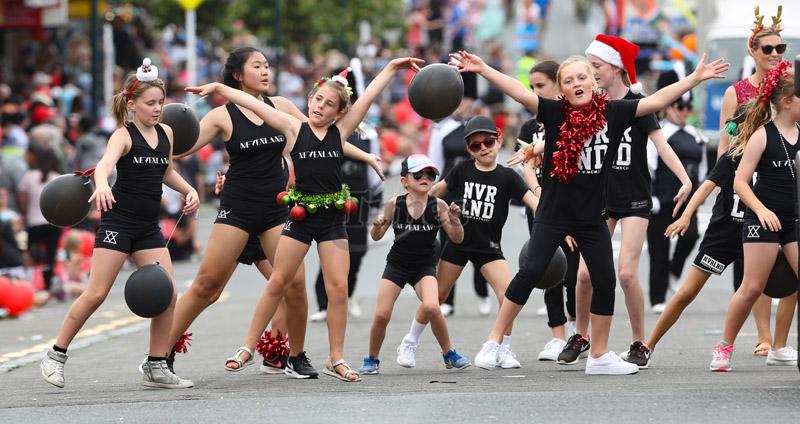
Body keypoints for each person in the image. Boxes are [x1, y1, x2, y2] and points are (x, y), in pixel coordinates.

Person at [454, 48, 727, 374]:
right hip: (554, 213)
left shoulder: (615, 112)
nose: (576, 83)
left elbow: (655, 102)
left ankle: (598, 355)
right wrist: (483, 68)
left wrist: (694, 79)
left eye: (582, 77)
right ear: (562, 90)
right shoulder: (554, 113)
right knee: (531, 270)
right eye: (568, 81)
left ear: (594, 83)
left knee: (605, 278)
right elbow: (518, 91)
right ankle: (493, 342)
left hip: (592, 217)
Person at [187, 56, 420, 382]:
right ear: (309, 100)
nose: (320, 107)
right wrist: (217, 87)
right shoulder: (293, 128)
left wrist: (392, 68)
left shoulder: (341, 132)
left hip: (332, 220)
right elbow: (252, 103)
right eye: (317, 100)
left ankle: (335, 359)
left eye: (329, 104)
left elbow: (368, 98)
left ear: (340, 113)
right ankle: (247, 347)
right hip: (299, 218)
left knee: (338, 288)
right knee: (279, 281)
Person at [40, 59, 199, 389]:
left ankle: (156, 365)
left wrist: (189, 189)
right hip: (119, 223)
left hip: (148, 227)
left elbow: (165, 171)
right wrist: (100, 184)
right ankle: (55, 355)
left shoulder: (167, 133)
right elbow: (103, 166)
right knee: (96, 293)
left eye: (160, 103)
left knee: (167, 294)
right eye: (150, 104)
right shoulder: (122, 136)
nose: (157, 110)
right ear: (132, 104)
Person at [166, 47, 311, 377]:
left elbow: (316, 139)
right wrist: (146, 134)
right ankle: (160, 355)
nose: (265, 71)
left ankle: (281, 353)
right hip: (238, 210)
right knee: (208, 288)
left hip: (275, 211)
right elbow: (183, 147)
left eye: (267, 65)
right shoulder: (221, 116)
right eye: (256, 65)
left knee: (293, 283)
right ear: (237, 76)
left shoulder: (282, 106)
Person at [558, 35, 692, 369]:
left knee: (627, 273)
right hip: (599, 199)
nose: (592, 72)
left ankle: (638, 342)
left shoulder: (637, 103)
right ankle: (582, 335)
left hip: (633, 197)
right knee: (585, 274)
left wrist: (686, 179)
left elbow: (662, 146)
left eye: (596, 66)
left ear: (616, 67)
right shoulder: (592, 103)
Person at [397, 115, 539, 370]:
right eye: (476, 146)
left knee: (509, 295)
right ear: (468, 150)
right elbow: (434, 191)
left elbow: (534, 203)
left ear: (498, 139)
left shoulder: (508, 177)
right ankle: (410, 341)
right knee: (436, 296)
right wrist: (409, 203)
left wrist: (558, 225)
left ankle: (503, 349)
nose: (484, 148)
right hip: (458, 242)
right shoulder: (462, 169)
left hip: (488, 246)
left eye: (488, 141)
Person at [710, 60, 799, 372]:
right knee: (751, 287)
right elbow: (739, 181)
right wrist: (760, 210)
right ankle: (724, 347)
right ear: (788, 102)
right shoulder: (763, 135)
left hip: (794, 222)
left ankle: (779, 346)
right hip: (761, 220)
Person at [643, 104, 747, 356]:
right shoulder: (731, 156)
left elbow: (702, 175)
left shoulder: (774, 151)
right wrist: (685, 214)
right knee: (682, 284)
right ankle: (648, 342)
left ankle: (768, 343)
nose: (684, 110)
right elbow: (706, 185)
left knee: (753, 288)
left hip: (755, 231)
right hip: (715, 226)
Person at [359, 154, 470, 374]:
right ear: (404, 181)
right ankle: (372, 359)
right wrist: (378, 225)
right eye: (418, 174)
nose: (425, 178)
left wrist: (456, 221)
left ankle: (449, 353)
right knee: (382, 314)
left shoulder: (438, 205)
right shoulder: (395, 204)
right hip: (397, 265)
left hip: (424, 266)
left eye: (430, 174)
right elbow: (376, 236)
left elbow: (457, 238)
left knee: (432, 307)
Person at [516, 60, 580, 361]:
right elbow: (525, 166)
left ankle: (578, 331)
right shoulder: (530, 128)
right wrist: (537, 196)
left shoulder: (574, 117)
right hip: (542, 206)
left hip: (574, 205)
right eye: (531, 88)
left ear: (559, 84)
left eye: (540, 86)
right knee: (548, 267)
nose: (535, 93)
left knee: (575, 271)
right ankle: (557, 335)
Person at [310, 62, 383, 323]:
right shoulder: (324, 129)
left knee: (358, 250)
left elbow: (375, 162)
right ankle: (322, 303)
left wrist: (376, 201)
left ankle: (347, 295)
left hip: (359, 196)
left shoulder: (366, 132)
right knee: (330, 249)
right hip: (329, 196)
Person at [645, 74, 707, 317]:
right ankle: (657, 296)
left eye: (687, 107)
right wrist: (652, 198)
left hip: (686, 200)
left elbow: (702, 172)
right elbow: (647, 167)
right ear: (669, 107)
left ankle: (675, 270)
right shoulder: (659, 134)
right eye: (679, 106)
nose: (684, 111)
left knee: (691, 235)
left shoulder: (696, 135)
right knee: (658, 248)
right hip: (662, 199)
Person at [17, 143, 62, 295]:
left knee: (31, 254)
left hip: (34, 223)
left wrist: (26, 213)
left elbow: (22, 200)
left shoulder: (29, 177)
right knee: (50, 255)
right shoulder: (56, 177)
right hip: (53, 222)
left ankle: (32, 285)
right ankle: (47, 285)